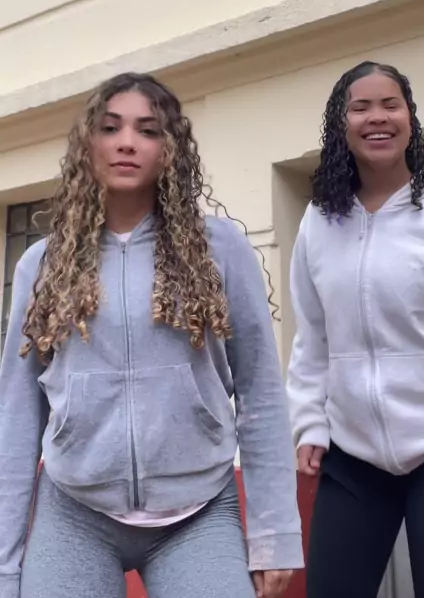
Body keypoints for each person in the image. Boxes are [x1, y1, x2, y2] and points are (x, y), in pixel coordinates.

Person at [0, 72, 303, 598]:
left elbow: (260, 392)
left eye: (147, 129)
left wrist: (274, 534)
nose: (126, 142)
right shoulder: (42, 264)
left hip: (197, 512)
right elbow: (18, 413)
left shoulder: (219, 249)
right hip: (74, 511)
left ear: (170, 149)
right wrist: (5, 565)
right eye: (110, 127)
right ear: (87, 144)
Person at [287, 61, 424, 598]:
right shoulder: (319, 222)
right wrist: (309, 422)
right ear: (341, 124)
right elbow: (312, 337)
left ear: (410, 119)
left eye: (391, 104)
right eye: (361, 107)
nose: (377, 117)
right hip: (351, 455)